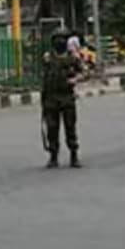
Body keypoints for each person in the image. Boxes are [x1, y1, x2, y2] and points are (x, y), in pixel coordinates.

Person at [41, 28, 84, 169]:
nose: (59, 42)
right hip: (51, 98)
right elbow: (44, 78)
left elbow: (82, 72)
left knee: (70, 127)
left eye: (62, 39)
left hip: (67, 97)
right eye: (56, 39)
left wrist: (75, 80)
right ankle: (53, 156)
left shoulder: (73, 58)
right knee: (52, 129)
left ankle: (74, 155)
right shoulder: (48, 59)